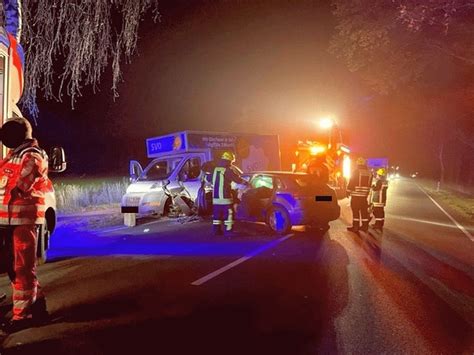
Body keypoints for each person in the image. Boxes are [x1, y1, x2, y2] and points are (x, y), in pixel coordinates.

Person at [0, 117, 51, 332]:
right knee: (17, 268)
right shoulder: (16, 155)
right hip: (11, 220)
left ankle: (23, 317)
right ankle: (37, 306)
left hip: (22, 220)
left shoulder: (32, 155)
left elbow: (20, 183)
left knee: (21, 268)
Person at [208, 151, 248, 236]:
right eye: (232, 161)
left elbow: (207, 178)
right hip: (225, 197)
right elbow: (237, 179)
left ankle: (216, 231)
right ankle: (229, 231)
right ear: (229, 160)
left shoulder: (215, 170)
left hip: (215, 198)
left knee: (217, 215)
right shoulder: (227, 170)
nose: (232, 163)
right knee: (229, 214)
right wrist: (246, 183)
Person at [346, 157, 373, 233]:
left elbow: (352, 182)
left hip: (356, 195)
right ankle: (365, 227)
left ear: (357, 163)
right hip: (364, 197)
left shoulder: (356, 172)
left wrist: (347, 191)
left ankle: (355, 227)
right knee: (364, 211)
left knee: (355, 211)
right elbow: (369, 185)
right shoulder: (369, 173)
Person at [371, 168, 389, 232]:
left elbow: (376, 189)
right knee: (381, 211)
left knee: (376, 211)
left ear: (380, 175)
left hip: (378, 199)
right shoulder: (385, 181)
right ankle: (380, 224)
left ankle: (377, 224)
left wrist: (373, 187)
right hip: (383, 199)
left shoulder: (379, 181)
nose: (376, 175)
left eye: (378, 174)